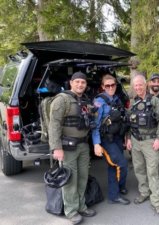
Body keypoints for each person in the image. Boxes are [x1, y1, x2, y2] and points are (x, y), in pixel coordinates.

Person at [49, 71, 96, 225]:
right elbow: (54, 124)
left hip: (83, 145)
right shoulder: (62, 100)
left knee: (83, 177)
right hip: (67, 147)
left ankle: (81, 206)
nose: (80, 85)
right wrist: (56, 148)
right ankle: (71, 211)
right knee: (70, 180)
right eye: (77, 82)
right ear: (71, 83)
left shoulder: (85, 100)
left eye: (83, 82)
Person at [126, 75, 159, 217]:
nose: (138, 87)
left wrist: (158, 138)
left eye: (140, 85)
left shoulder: (154, 101)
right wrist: (128, 138)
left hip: (150, 141)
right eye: (135, 85)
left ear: (146, 85)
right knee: (139, 169)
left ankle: (156, 202)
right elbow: (128, 122)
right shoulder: (132, 102)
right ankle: (144, 192)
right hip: (135, 140)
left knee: (152, 172)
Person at [92, 74, 130, 205]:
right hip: (107, 140)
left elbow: (123, 120)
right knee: (120, 164)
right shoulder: (99, 102)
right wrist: (96, 144)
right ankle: (114, 196)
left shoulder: (118, 99)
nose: (110, 87)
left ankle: (119, 188)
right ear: (103, 87)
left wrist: (126, 137)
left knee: (113, 166)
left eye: (112, 85)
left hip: (118, 137)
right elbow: (95, 125)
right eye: (107, 85)